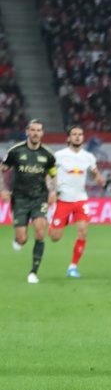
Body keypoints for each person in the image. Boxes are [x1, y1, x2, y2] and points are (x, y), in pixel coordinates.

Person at [0, 119, 57, 283]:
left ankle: (33, 272)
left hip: (40, 198)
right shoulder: (16, 151)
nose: (35, 133)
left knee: (40, 231)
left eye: (38, 130)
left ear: (42, 133)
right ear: (27, 132)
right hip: (19, 199)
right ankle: (18, 239)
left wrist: (54, 191)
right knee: (22, 239)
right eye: (32, 130)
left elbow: (54, 174)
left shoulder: (48, 155)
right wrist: (2, 189)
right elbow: (2, 169)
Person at [48, 125, 106, 277]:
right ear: (68, 138)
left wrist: (98, 178)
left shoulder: (88, 156)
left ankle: (73, 267)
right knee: (55, 237)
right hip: (63, 199)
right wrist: (51, 190)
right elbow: (49, 173)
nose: (78, 137)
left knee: (83, 232)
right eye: (74, 134)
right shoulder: (59, 155)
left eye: (80, 134)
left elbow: (94, 171)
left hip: (81, 199)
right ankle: (54, 223)